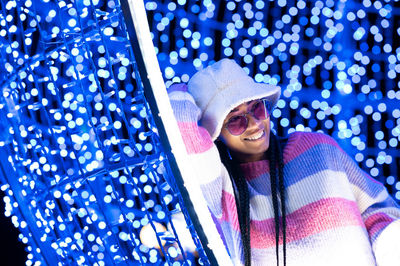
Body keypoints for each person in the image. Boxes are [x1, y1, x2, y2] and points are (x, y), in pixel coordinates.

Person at [167, 58, 400, 266]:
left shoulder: (317, 148)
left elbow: (378, 211)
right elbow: (181, 137)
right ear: (216, 135)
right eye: (236, 120)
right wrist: (179, 91)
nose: (254, 124)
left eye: (257, 108)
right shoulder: (220, 190)